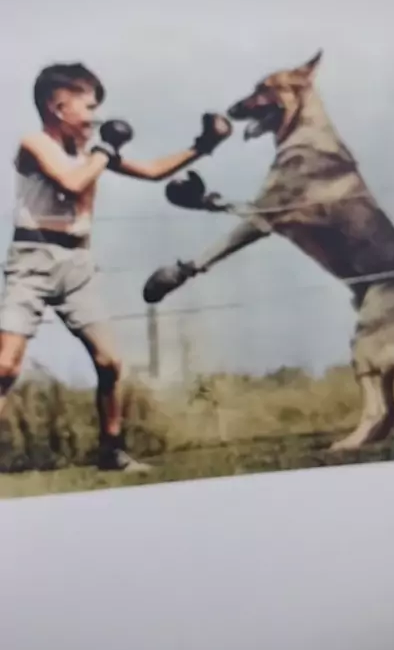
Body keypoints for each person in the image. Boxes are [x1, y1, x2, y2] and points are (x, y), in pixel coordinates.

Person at [0, 62, 231, 472]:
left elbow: (153, 171)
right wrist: (105, 151)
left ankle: (112, 452)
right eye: (89, 107)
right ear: (58, 107)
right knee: (5, 365)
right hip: (33, 261)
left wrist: (203, 145)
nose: (97, 117)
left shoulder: (92, 153)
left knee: (110, 362)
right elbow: (71, 182)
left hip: (78, 266)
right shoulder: (35, 144)